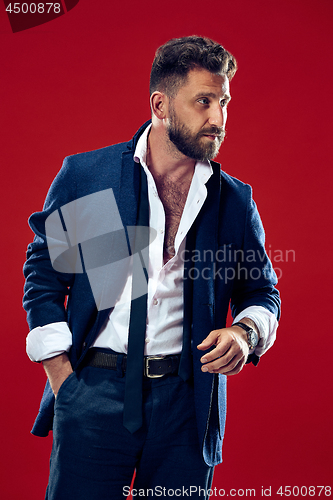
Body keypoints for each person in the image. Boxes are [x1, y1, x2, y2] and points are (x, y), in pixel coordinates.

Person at [23, 36, 280, 499]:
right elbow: (44, 277)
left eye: (223, 101)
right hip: (94, 393)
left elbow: (263, 292)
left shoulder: (234, 201)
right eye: (204, 101)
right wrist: (64, 380)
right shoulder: (93, 179)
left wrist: (246, 333)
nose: (218, 118)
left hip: (188, 403)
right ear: (161, 105)